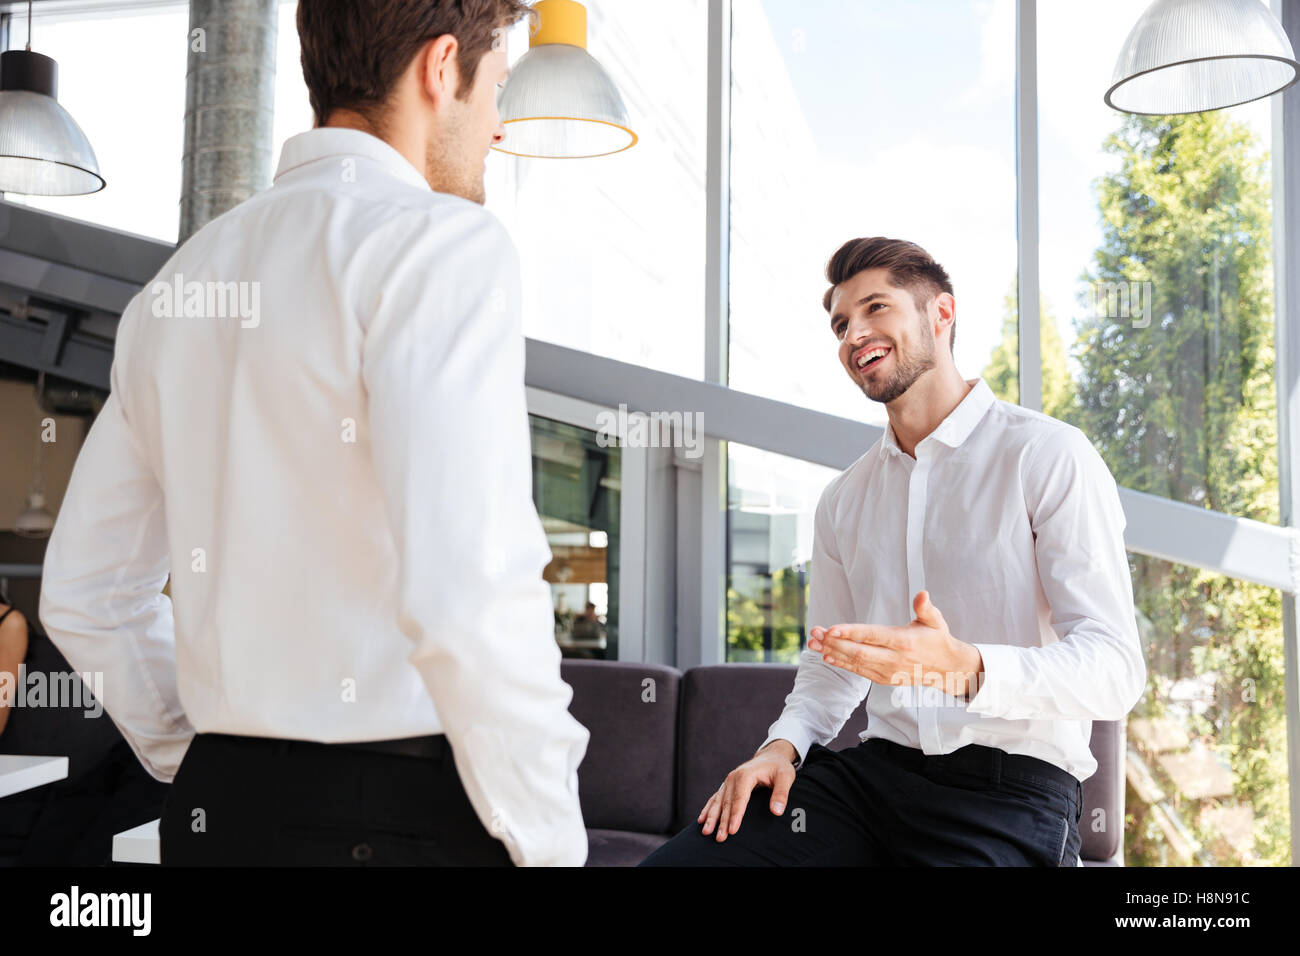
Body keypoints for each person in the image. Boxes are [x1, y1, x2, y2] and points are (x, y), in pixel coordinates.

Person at [39, 0, 589, 867]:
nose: (498, 126)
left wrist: (210, 755)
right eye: (498, 89)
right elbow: (468, 586)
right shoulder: (441, 244)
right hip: (403, 820)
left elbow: (86, 592)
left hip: (220, 818)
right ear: (441, 69)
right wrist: (551, 842)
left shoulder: (180, 284)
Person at [641, 237, 1146, 866]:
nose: (855, 334)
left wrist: (962, 666)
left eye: (877, 308)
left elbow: (1115, 669)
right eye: (841, 323)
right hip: (874, 781)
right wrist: (782, 747)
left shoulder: (1047, 456)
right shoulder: (844, 500)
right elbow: (832, 664)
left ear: (941, 314)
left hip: (1010, 790)